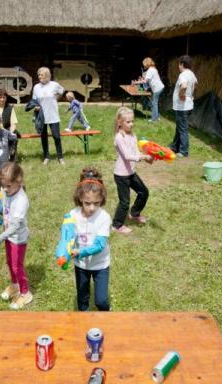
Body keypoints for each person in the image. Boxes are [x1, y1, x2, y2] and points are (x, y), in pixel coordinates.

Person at [0, 162, 32, 309]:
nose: (5, 189)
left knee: (17, 266)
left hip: (18, 239)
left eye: (8, 186)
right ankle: (15, 285)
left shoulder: (21, 200)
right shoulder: (7, 191)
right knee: (9, 262)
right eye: (3, 185)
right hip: (8, 236)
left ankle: (25, 293)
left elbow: (15, 227)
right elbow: (3, 206)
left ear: (19, 181)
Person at [66, 167, 112, 311]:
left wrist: (80, 252)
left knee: (101, 300)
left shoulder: (104, 217)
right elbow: (67, 237)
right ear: (80, 198)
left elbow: (99, 245)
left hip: (100, 265)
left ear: (102, 199)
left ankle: (106, 316)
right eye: (87, 203)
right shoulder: (72, 215)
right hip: (81, 265)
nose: (92, 208)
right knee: (82, 298)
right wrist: (65, 250)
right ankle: (84, 317)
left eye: (96, 203)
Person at [112, 107, 153, 234]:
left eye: (132, 121)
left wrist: (146, 157)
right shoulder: (119, 137)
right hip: (121, 175)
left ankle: (134, 214)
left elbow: (135, 152)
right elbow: (127, 156)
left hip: (131, 173)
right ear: (120, 122)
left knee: (144, 192)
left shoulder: (133, 135)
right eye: (128, 122)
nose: (131, 124)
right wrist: (143, 157)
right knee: (124, 202)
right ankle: (116, 225)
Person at [32, 67, 65, 165]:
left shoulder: (54, 85)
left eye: (41, 75)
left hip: (53, 115)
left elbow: (62, 91)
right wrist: (36, 106)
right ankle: (46, 156)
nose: (39, 76)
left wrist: (56, 98)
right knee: (43, 137)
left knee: (56, 136)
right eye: (38, 75)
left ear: (47, 75)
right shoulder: (36, 87)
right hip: (41, 116)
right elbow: (34, 100)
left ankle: (60, 157)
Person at [170, 55, 198, 157]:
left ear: (182, 64)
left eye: (179, 64)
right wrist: (190, 93)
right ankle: (174, 147)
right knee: (180, 127)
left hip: (182, 107)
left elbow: (184, 86)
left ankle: (183, 151)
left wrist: (181, 94)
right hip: (188, 105)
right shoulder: (191, 74)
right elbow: (196, 83)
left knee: (183, 129)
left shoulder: (183, 75)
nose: (178, 66)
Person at [134, 57, 165, 122]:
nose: (144, 65)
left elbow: (145, 81)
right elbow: (148, 79)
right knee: (154, 103)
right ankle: (157, 117)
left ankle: (154, 119)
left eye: (144, 64)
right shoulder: (154, 69)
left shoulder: (150, 70)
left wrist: (136, 82)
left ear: (147, 64)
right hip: (160, 87)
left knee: (154, 103)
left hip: (157, 88)